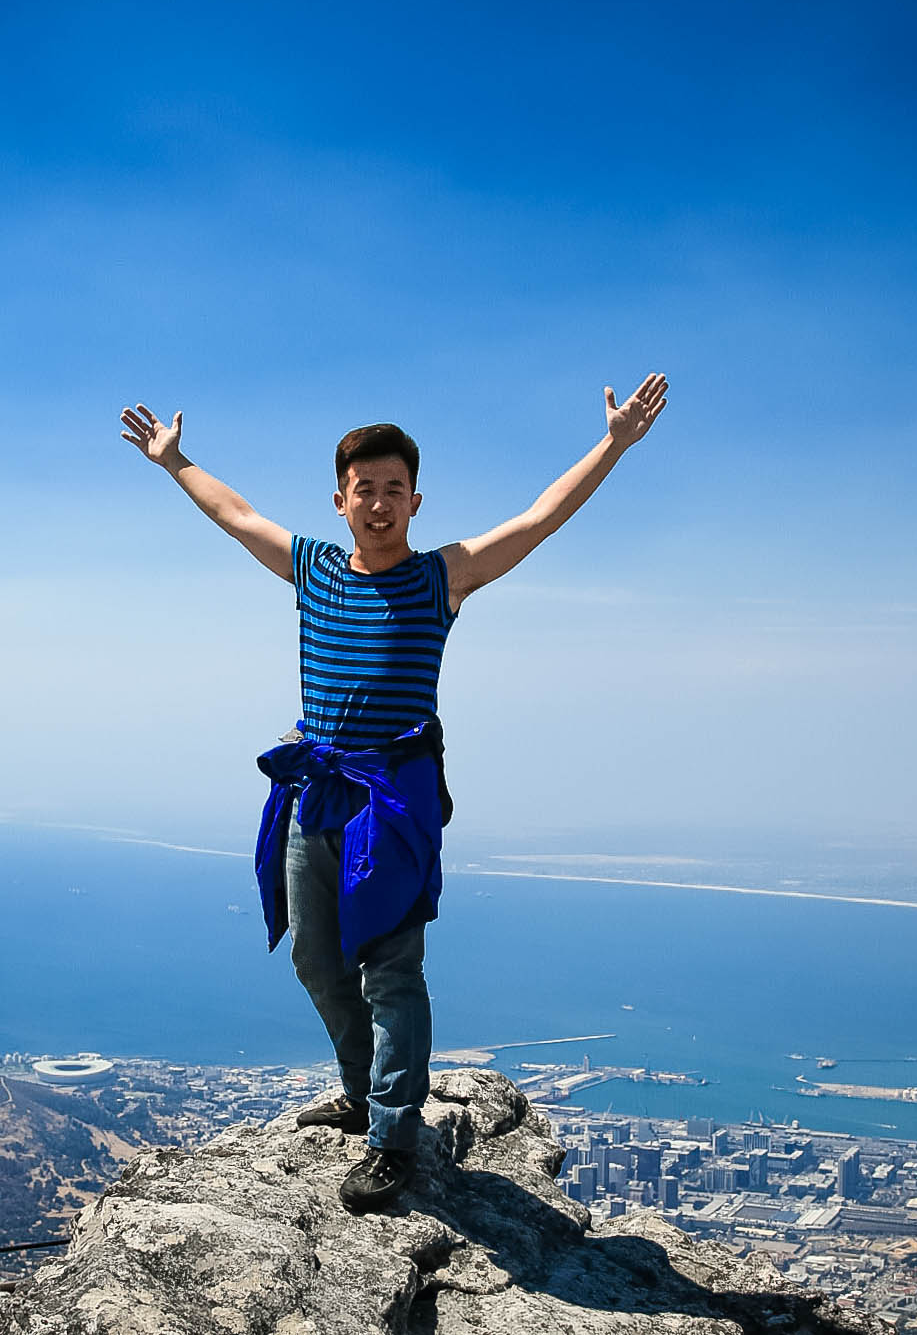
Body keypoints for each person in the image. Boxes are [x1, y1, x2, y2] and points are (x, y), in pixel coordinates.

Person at [119, 374, 668, 1210]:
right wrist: (175, 462)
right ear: (339, 500)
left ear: (415, 501)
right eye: (362, 490)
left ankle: (392, 1138)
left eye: (393, 491)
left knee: (392, 970)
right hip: (320, 789)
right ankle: (361, 1088)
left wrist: (615, 445)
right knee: (314, 954)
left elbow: (537, 519)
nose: (377, 504)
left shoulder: (441, 578)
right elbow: (236, 514)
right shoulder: (311, 568)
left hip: (394, 798)